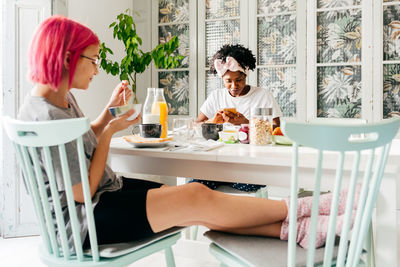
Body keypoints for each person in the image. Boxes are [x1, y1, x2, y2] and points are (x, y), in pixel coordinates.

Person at [19, 15, 353, 252]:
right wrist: (109, 134)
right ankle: (307, 208)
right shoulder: (46, 116)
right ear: (67, 58)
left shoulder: (57, 100)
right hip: (83, 222)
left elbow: (80, 140)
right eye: (92, 59)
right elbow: (80, 192)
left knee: (198, 200)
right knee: (195, 198)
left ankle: (304, 228)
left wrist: (106, 114)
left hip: (101, 199)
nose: (96, 67)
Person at [196, 44, 282, 127]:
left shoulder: (262, 96)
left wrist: (247, 123)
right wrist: (213, 121)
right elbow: (197, 124)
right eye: (228, 81)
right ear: (222, 79)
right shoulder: (217, 96)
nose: (234, 86)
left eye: (239, 80)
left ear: (245, 76)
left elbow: (276, 126)